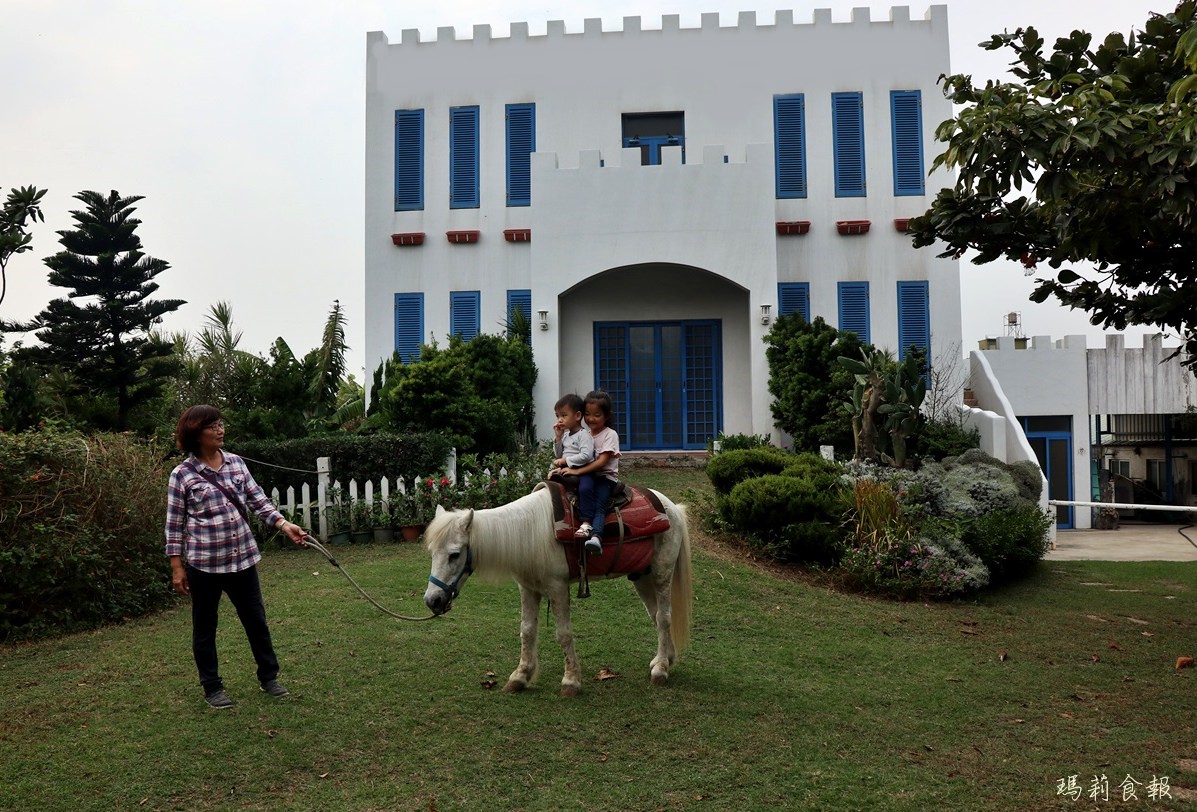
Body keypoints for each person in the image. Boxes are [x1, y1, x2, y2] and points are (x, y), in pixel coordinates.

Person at [164, 405, 308, 709]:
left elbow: (259, 502)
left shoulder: (236, 464)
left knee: (256, 621)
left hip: (242, 559)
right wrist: (177, 567)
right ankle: (212, 687)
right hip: (204, 565)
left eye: (221, 424)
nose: (220, 430)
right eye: (212, 426)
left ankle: (269, 677)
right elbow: (174, 524)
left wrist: (285, 525)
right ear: (195, 433)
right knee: (205, 628)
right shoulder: (182, 475)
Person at [570, 390, 621, 555]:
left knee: (599, 505)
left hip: (605, 478)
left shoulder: (610, 435)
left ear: (607, 415)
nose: (591, 419)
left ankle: (597, 537)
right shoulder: (584, 435)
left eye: (596, 415)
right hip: (588, 476)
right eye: (587, 414)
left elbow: (602, 462)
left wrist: (578, 472)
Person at [549, 393, 597, 537]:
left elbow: (586, 456)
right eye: (557, 416)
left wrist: (565, 461)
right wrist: (558, 437)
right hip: (567, 469)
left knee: (585, 488)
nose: (560, 420)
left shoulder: (584, 435)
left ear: (577, 416)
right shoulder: (566, 436)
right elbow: (558, 455)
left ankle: (587, 522)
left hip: (584, 471)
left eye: (564, 415)